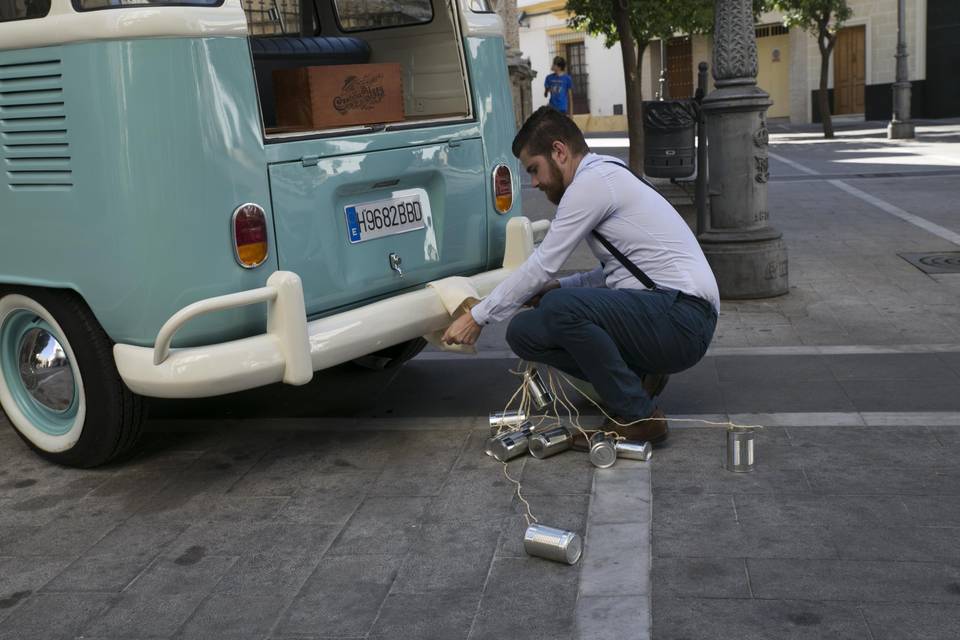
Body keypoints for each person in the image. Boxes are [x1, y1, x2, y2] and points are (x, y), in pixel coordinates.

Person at [442, 107, 719, 443]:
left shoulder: (592, 183)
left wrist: (478, 317)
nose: (535, 183)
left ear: (559, 151)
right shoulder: (601, 178)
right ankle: (634, 379)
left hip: (685, 318)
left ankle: (638, 415)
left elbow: (543, 262)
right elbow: (612, 273)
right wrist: (559, 286)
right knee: (524, 332)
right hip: (666, 312)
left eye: (534, 169)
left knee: (561, 307)